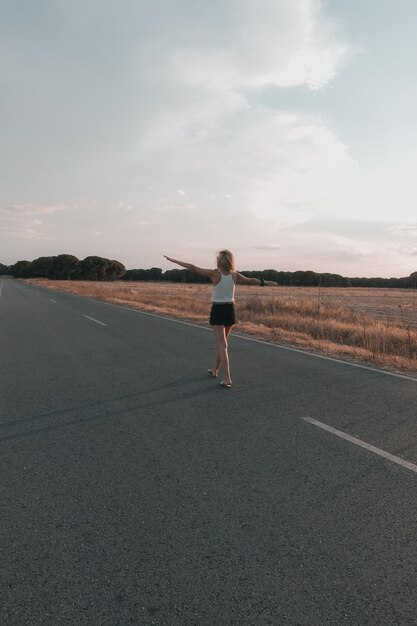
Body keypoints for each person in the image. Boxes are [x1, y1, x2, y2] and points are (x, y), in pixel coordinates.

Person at [163, 250, 278, 389]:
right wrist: (267, 282)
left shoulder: (215, 274)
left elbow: (192, 267)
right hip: (230, 310)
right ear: (231, 261)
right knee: (222, 343)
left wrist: (174, 260)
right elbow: (251, 280)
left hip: (218, 310)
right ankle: (215, 370)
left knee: (222, 345)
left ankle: (228, 378)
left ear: (219, 261)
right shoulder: (234, 275)